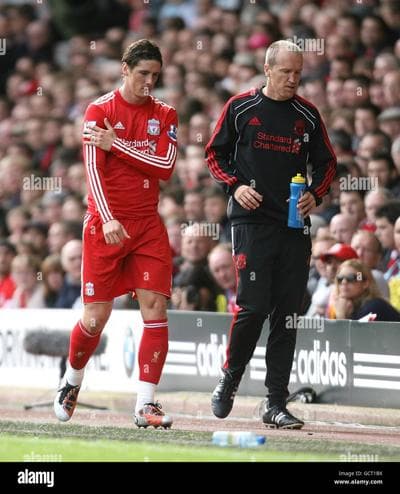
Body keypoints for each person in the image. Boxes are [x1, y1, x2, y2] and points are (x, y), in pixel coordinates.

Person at [205, 40, 336, 429]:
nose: (293, 79)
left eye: (298, 72)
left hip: (294, 225)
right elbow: (215, 154)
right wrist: (235, 185)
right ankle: (230, 377)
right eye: (286, 72)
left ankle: (275, 402)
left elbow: (327, 163)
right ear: (267, 69)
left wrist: (315, 194)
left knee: (288, 315)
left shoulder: (307, 116)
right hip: (251, 221)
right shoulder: (241, 107)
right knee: (253, 306)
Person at [53, 39, 178, 429]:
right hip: (105, 223)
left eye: (155, 76)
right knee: (95, 318)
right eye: (143, 74)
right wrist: (106, 218)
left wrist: (118, 144)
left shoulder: (166, 114)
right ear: (125, 69)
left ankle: (145, 404)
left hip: (147, 225)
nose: (149, 82)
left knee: (155, 308)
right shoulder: (99, 110)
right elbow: (93, 169)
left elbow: (166, 166)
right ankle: (72, 380)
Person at [333, 259, 400, 322]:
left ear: (365, 283)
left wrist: (341, 316)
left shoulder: (374, 306)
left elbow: (356, 334)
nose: (344, 282)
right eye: (340, 278)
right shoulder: (344, 305)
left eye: (351, 278)